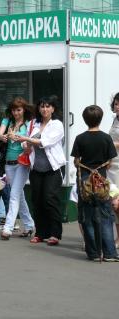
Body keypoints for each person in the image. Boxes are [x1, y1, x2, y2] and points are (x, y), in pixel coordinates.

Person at [16, 96, 66, 245]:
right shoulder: (34, 123)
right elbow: (26, 145)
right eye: (42, 106)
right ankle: (40, 233)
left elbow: (46, 142)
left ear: (53, 109)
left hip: (53, 168)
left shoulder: (57, 124)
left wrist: (25, 139)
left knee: (50, 199)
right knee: (37, 200)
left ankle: (55, 234)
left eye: (48, 106)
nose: (44, 109)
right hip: (36, 168)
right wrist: (25, 143)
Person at [71, 105, 119, 262]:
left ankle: (93, 253)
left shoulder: (80, 138)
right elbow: (110, 162)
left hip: (85, 181)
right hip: (101, 182)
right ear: (101, 118)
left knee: (87, 216)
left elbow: (76, 162)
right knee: (106, 216)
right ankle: (110, 253)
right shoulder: (106, 138)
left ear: (85, 120)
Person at [0, 97, 35, 240]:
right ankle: (30, 225)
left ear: (24, 110)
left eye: (18, 110)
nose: (16, 113)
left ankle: (8, 228)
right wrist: (2, 136)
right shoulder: (7, 121)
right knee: (19, 195)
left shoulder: (29, 123)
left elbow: (31, 139)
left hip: (22, 163)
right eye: (13, 110)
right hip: (8, 162)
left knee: (14, 195)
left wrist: (17, 135)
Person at [107, 92, 119, 248]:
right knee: (114, 203)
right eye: (116, 104)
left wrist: (110, 145)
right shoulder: (115, 120)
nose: (117, 106)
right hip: (112, 166)